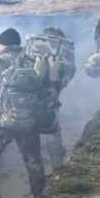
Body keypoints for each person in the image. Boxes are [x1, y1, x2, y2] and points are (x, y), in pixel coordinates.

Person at [0, 28, 48, 198]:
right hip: (28, 120)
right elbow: (43, 90)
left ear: (1, 44)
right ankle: (40, 197)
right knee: (33, 160)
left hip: (0, 122)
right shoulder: (33, 62)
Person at [26, 26, 76, 168]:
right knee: (52, 130)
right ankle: (57, 167)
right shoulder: (64, 50)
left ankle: (34, 164)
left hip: (28, 96)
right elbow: (68, 75)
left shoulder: (32, 45)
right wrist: (56, 88)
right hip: (50, 96)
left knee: (29, 130)